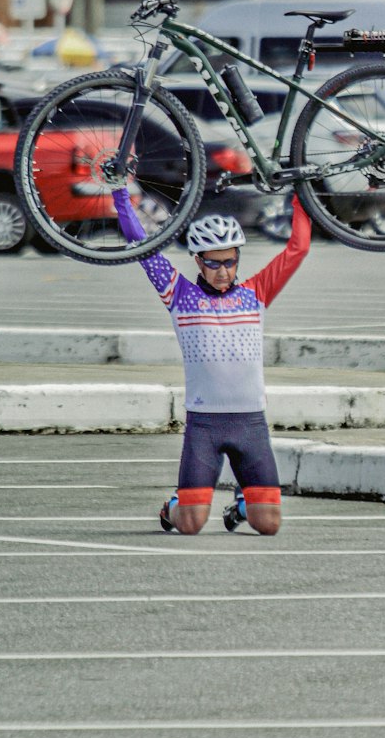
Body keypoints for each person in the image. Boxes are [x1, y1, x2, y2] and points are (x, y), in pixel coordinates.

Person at [111, 188, 311, 534]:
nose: (222, 271)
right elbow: (140, 244)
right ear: (199, 261)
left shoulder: (257, 292)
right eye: (213, 263)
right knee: (190, 524)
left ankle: (245, 505)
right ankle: (174, 505)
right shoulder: (179, 295)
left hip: (251, 424)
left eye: (230, 261)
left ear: (238, 258)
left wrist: (301, 198)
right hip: (204, 426)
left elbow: (298, 248)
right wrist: (119, 193)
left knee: (269, 525)